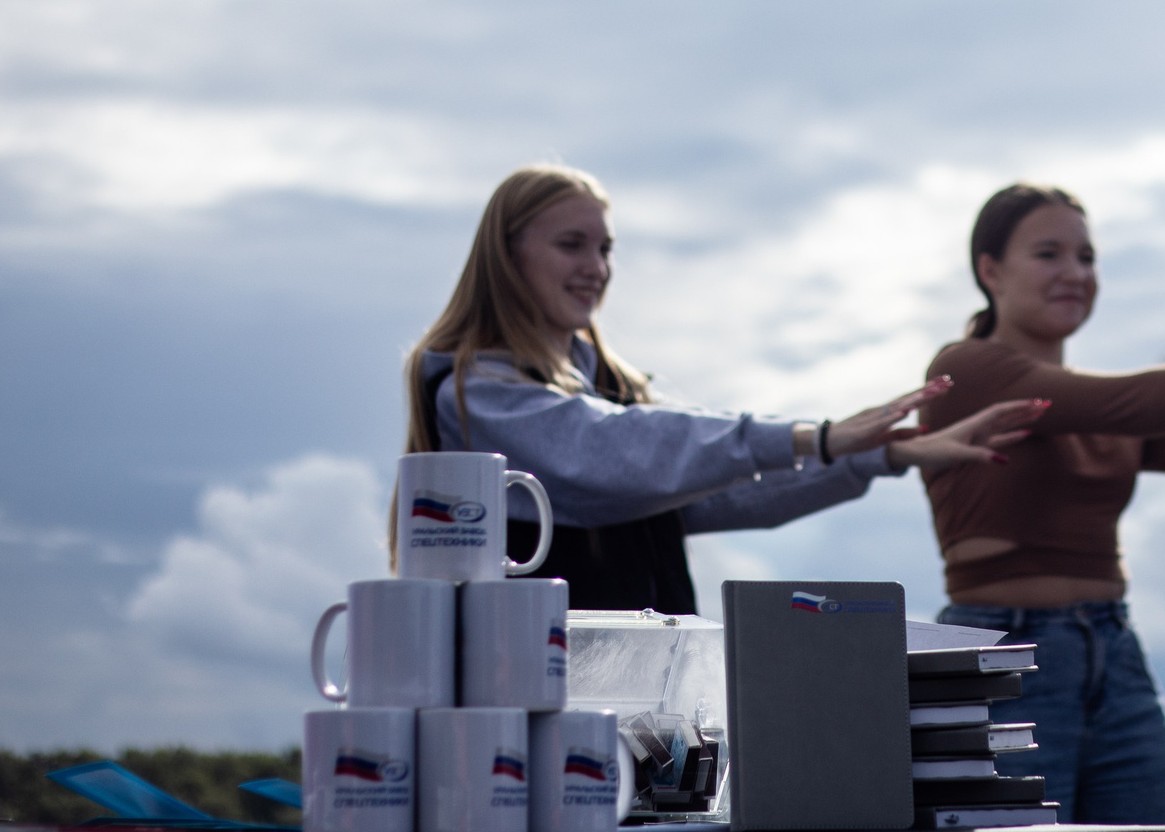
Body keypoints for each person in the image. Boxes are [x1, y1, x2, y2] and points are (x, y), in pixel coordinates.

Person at [403, 164, 1040, 612]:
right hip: (528, 711)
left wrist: (888, 451)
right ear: (505, 256)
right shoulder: (474, 391)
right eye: (572, 245)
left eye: (605, 248)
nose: (596, 268)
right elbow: (616, 451)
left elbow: (724, 486)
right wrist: (817, 437)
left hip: (641, 694)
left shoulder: (617, 386)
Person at [919, 182, 1165, 832]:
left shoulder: (1102, 410)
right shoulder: (965, 371)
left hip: (1113, 653)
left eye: (1087, 257)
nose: (1076, 273)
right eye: (1049, 253)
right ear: (989, 269)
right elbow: (1131, 401)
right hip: (1000, 659)